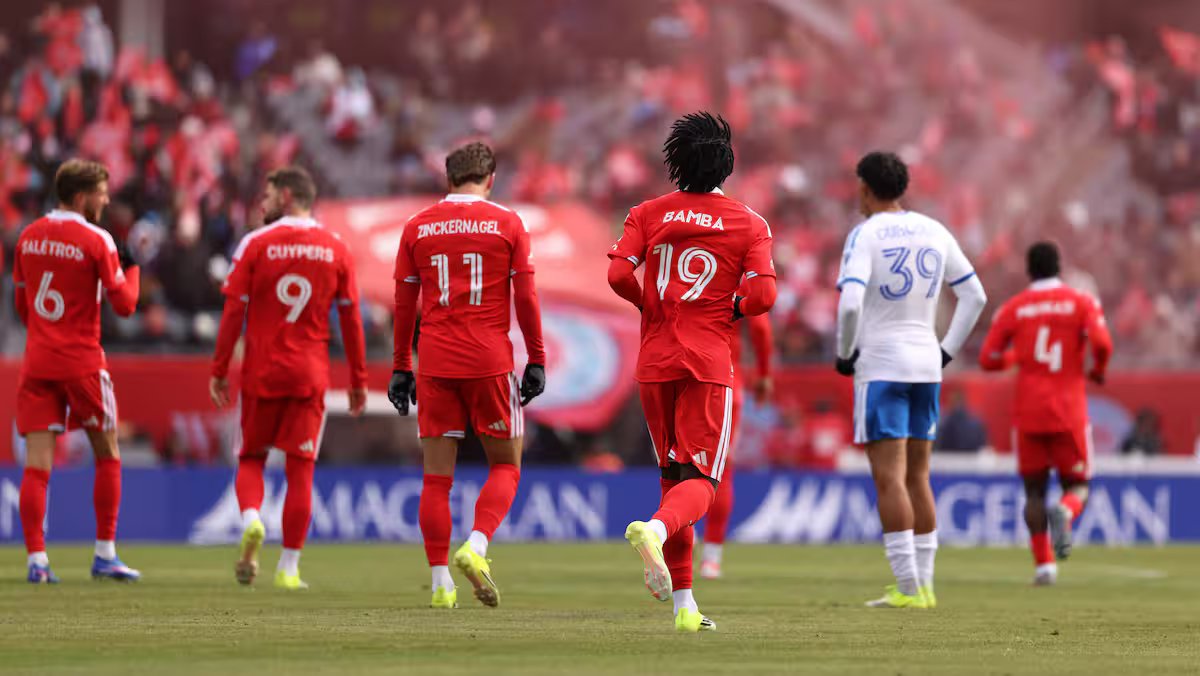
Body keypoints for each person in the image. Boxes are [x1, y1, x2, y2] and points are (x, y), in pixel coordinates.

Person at [608, 112, 776, 632]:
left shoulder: (648, 212)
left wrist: (649, 307)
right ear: (728, 165)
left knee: (672, 479)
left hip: (654, 362)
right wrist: (734, 310)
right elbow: (765, 296)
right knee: (701, 481)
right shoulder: (749, 222)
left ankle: (685, 609)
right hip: (707, 362)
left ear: (676, 162)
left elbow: (617, 274)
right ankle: (655, 533)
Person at [389, 141, 546, 610]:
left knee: (437, 480)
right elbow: (527, 299)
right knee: (505, 465)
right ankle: (476, 545)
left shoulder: (418, 226)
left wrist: (401, 365)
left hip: (435, 361)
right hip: (489, 361)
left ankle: (440, 584)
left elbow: (403, 304)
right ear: (491, 179)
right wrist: (536, 358)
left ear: (448, 178)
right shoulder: (508, 223)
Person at [834, 151, 987, 609]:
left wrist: (844, 354)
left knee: (889, 479)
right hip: (926, 363)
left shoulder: (865, 234)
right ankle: (925, 587)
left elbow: (849, 305)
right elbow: (975, 296)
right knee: (919, 476)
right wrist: (945, 351)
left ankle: (906, 587)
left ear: (865, 187)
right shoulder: (935, 230)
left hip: (881, 364)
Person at [209, 166, 368, 590]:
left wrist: (220, 368)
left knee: (251, 459)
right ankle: (289, 568)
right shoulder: (336, 248)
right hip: (309, 376)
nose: (262, 203)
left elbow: (232, 313)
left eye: (267, 195)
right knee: (302, 472)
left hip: (262, 371)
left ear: (286, 196)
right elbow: (352, 321)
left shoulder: (255, 244)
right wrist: (356, 379)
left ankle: (251, 520)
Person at [13, 159, 142, 584]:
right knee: (108, 453)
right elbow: (125, 305)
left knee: (37, 467)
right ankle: (105, 554)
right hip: (83, 362)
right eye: (102, 193)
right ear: (83, 196)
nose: (106, 200)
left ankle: (37, 561)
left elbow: (21, 306)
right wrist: (134, 266)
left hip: (38, 362)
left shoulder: (28, 236)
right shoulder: (97, 239)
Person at [979, 241, 1112, 586]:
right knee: (1078, 485)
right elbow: (1102, 344)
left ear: (1029, 270)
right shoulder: (1081, 302)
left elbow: (988, 358)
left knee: (1033, 493)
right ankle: (1066, 510)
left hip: (1028, 412)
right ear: (1060, 267)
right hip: (1068, 411)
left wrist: (1016, 358)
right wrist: (1097, 369)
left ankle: (1044, 566)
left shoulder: (1014, 308)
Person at [699, 311, 772, 579]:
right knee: (722, 469)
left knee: (678, 464)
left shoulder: (673, 268)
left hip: (679, 374)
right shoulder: (736, 273)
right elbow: (761, 327)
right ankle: (711, 559)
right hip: (725, 379)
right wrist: (764, 373)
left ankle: (678, 535)